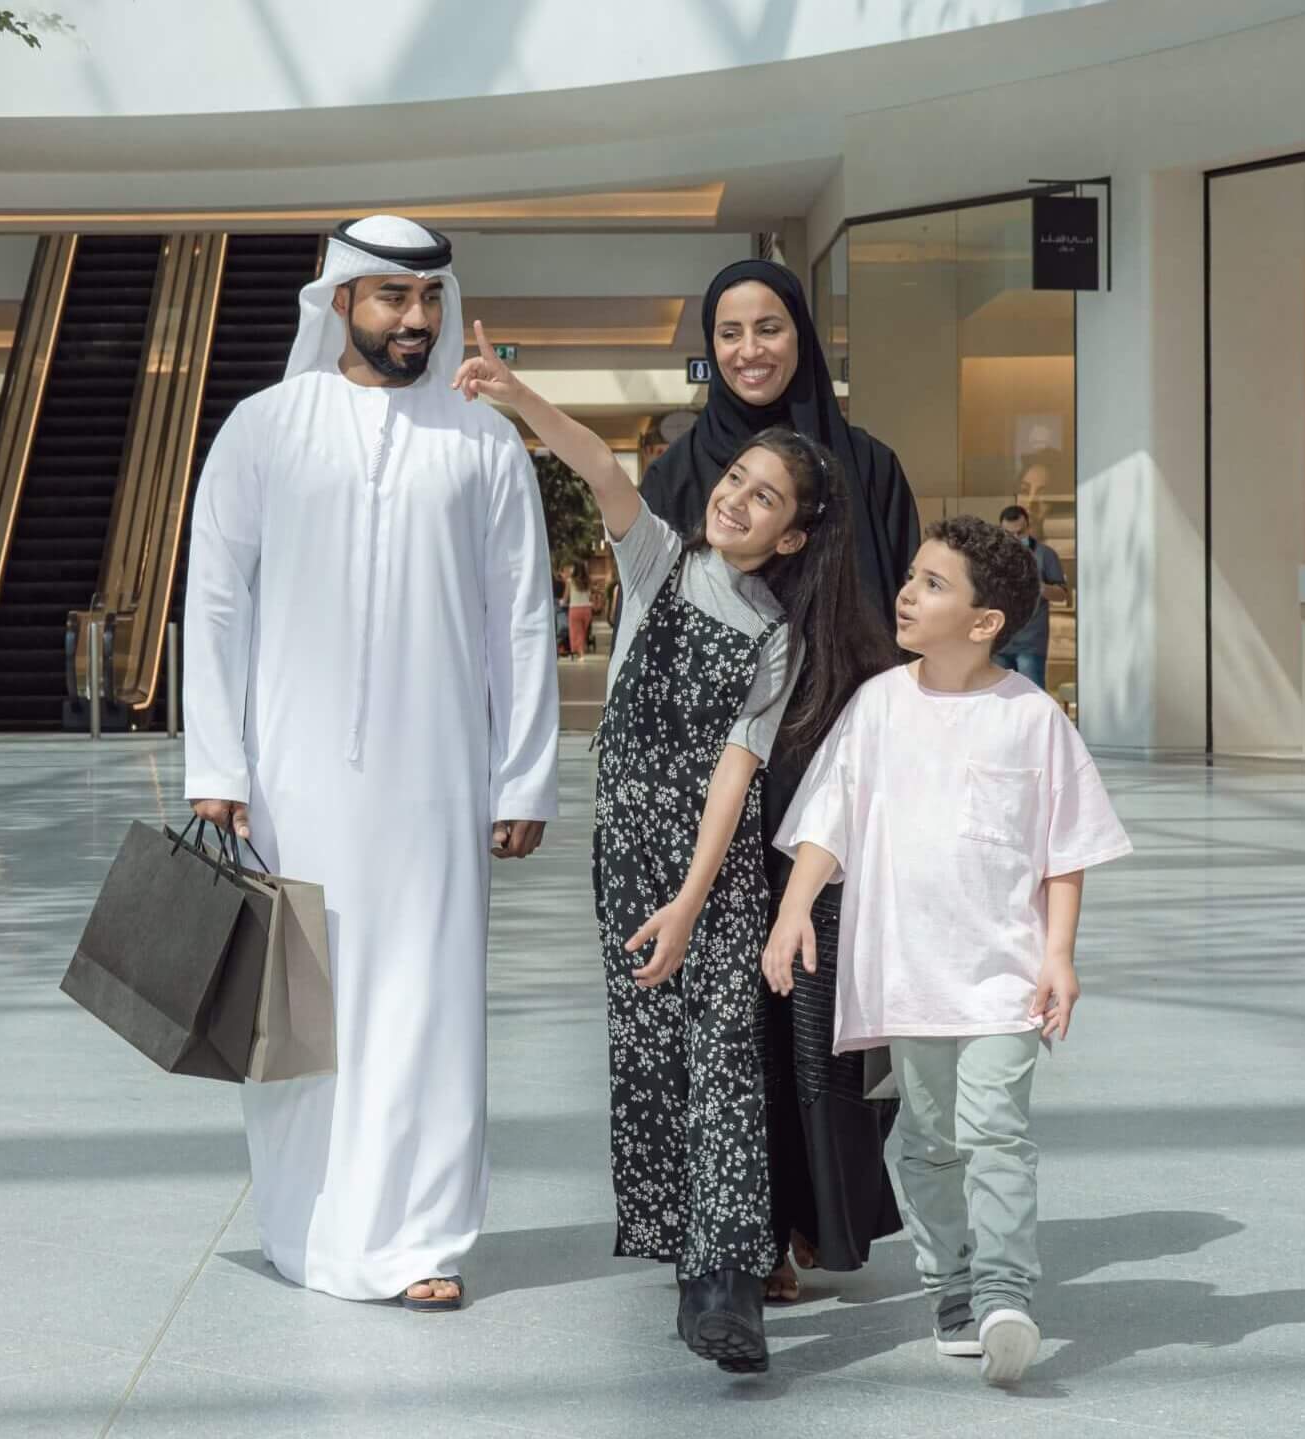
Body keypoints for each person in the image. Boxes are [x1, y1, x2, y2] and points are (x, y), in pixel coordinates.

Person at [452, 324, 888, 1372]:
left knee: (725, 1064)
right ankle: (690, 1250)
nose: (736, 496)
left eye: (764, 497)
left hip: (712, 873)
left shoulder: (772, 632)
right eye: (735, 476)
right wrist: (517, 394)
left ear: (789, 539)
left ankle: (722, 1284)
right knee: (652, 1059)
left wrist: (694, 899)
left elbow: (737, 774)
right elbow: (598, 466)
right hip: (626, 863)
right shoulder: (653, 560)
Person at [183, 216, 560, 1313]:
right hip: (291, 778)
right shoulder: (264, 426)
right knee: (301, 1006)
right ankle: (305, 1227)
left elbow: (521, 618)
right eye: (391, 298)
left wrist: (521, 772)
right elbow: (213, 599)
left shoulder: (479, 437)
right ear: (340, 300)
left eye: (428, 299)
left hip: (438, 773)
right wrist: (219, 760)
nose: (415, 320)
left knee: (429, 1004)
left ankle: (419, 1238)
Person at [763, 514, 1131, 1386]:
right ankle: (954, 1287)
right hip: (908, 975)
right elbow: (830, 819)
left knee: (996, 1133)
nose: (907, 591)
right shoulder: (879, 704)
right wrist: (793, 910)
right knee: (929, 1144)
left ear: (983, 622)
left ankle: (1007, 1294)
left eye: (933, 583)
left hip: (1003, 976)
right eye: (913, 575)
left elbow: (1064, 848)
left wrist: (1061, 953)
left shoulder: (1032, 718)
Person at [640, 259, 922, 1302]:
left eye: (768, 327)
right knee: (729, 1014)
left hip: (833, 769)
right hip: (715, 774)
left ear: (801, 335)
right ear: (706, 347)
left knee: (820, 1000)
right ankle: (745, 1221)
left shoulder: (866, 466)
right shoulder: (680, 473)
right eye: (727, 331)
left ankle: (819, 1207)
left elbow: (901, 627)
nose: (749, 349)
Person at [994, 504, 1071, 690]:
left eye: (1019, 533)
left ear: (1028, 528)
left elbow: (1062, 595)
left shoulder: (1045, 555)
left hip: (1030, 643)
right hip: (999, 641)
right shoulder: (995, 556)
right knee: (998, 697)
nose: (1014, 539)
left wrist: (1038, 587)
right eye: (1008, 534)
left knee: (1031, 695)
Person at [566, 560, 595, 657]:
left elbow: (566, 597)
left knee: (576, 632)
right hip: (587, 609)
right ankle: (582, 649)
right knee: (583, 631)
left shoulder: (570, 581)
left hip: (574, 609)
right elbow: (590, 596)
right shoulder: (588, 581)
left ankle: (580, 653)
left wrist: (562, 602)